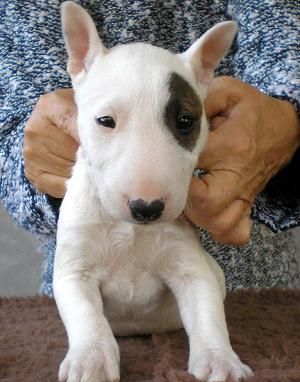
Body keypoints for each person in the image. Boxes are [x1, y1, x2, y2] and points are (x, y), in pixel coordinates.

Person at [0, 0, 299, 297]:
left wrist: (289, 121)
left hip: (256, 298)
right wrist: (33, 160)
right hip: (92, 297)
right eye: (106, 121)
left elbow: (285, 44)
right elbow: (14, 134)